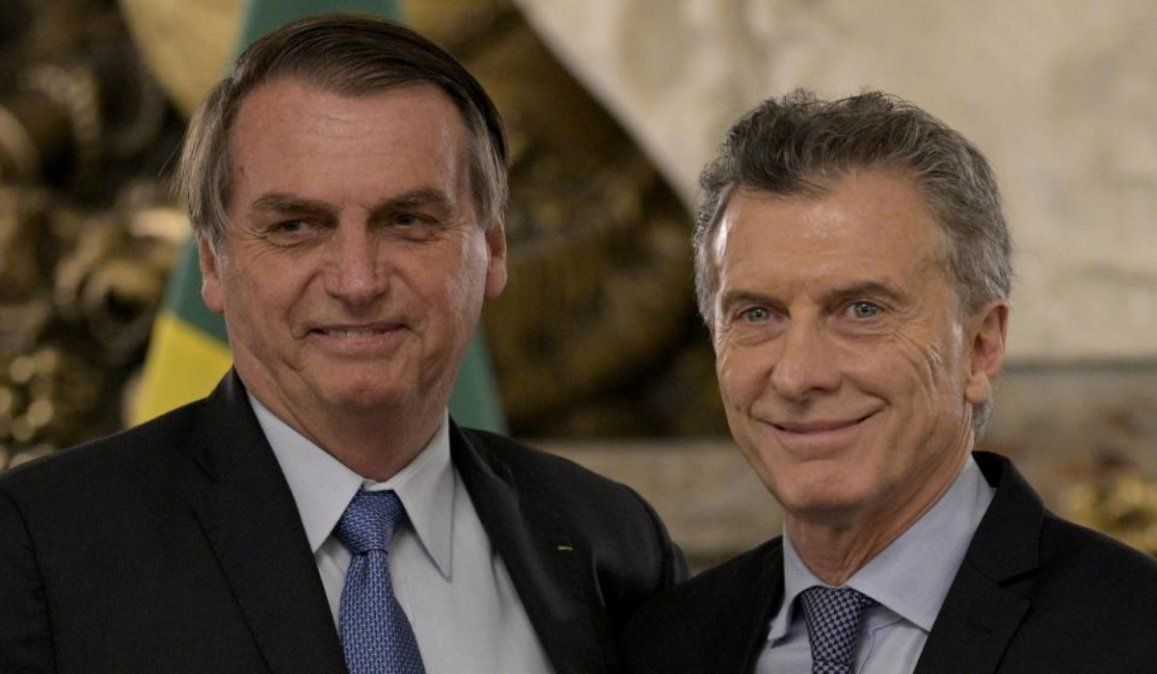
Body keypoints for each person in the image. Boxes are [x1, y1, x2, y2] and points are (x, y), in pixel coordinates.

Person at [0, 15, 685, 674]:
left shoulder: (613, 543)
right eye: (296, 227)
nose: (358, 281)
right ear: (210, 262)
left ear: (494, 250)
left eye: (408, 220)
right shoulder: (44, 546)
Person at [623, 90, 1157, 673]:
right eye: (757, 314)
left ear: (981, 347)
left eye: (862, 310)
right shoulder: (660, 647)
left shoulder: (1135, 632)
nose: (798, 375)